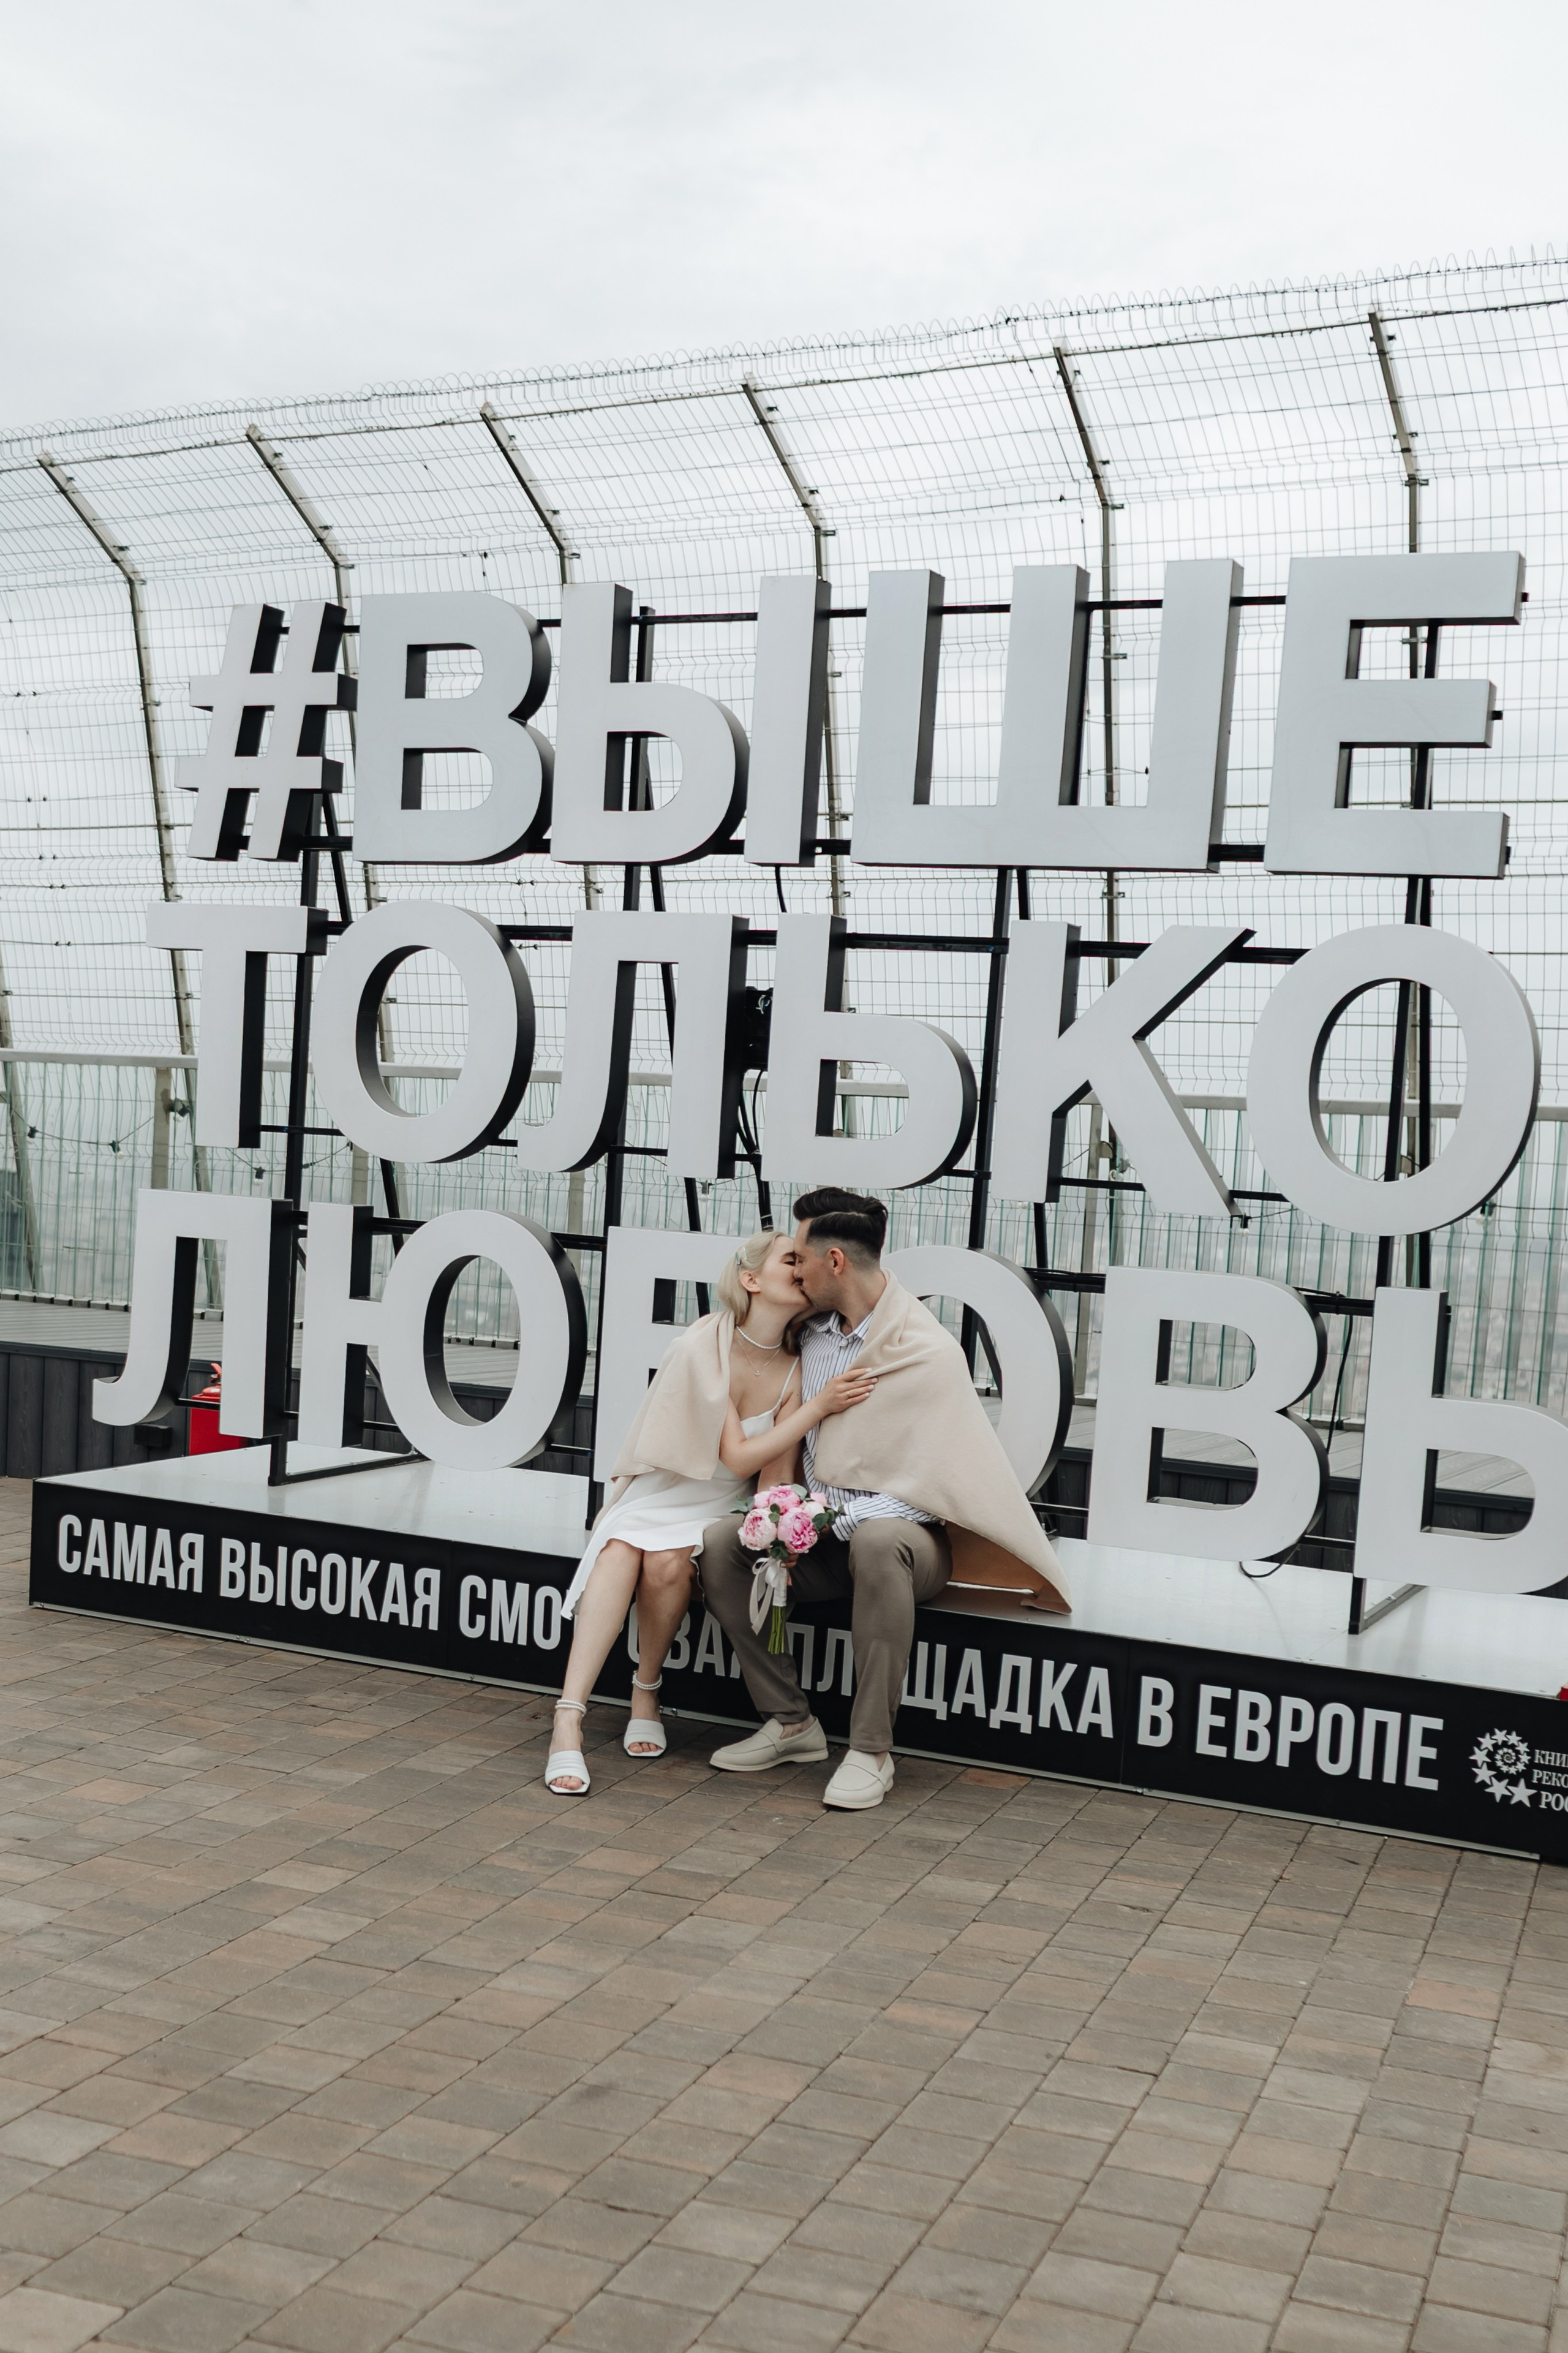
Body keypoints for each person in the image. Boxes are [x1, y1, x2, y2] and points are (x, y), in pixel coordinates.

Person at [699, 1187, 1071, 1813]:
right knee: (721, 1545)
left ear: (835, 1262)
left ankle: (871, 1751)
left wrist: (826, 1518)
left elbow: (934, 1490)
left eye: (800, 1258)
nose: (795, 1270)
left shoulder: (927, 1350)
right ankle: (790, 1722)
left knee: (877, 1541)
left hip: (906, 1545)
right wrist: (785, 1514)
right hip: (817, 1541)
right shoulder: (809, 1337)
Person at [543, 1227, 876, 1796]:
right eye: (790, 1260)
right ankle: (568, 1718)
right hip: (670, 1488)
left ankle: (646, 1690)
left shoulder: (799, 1364)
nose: (802, 1269)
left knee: (668, 1562)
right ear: (751, 1279)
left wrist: (775, 1528)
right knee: (622, 1547)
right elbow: (739, 1453)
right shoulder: (704, 1344)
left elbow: (771, 1473)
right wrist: (820, 1406)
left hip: (721, 1501)